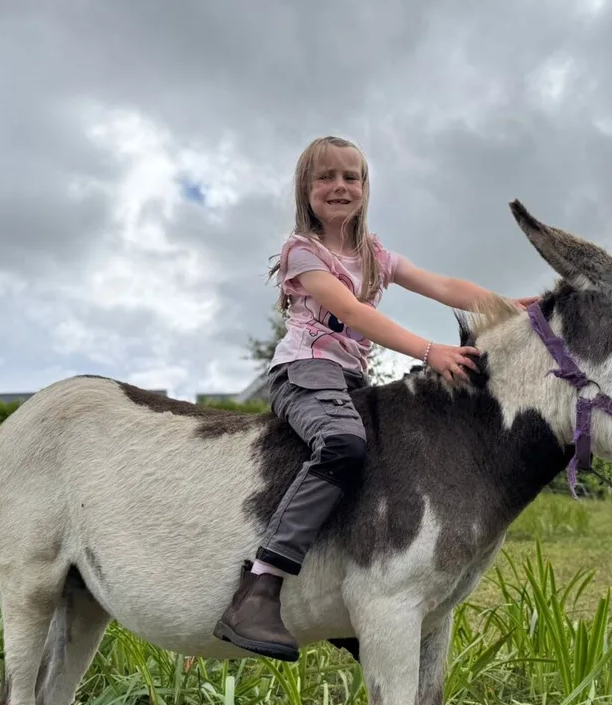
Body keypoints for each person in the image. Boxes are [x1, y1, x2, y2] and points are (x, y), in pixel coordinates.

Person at [212, 135, 537, 661]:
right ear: (306, 188)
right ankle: (259, 587)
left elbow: (443, 286)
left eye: (351, 177)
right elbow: (357, 314)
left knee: (386, 463)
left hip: (351, 381)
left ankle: (344, 601)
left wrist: (513, 306)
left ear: (365, 188)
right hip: (305, 370)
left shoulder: (375, 254)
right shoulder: (303, 251)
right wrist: (429, 350)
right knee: (341, 442)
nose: (339, 186)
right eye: (326, 177)